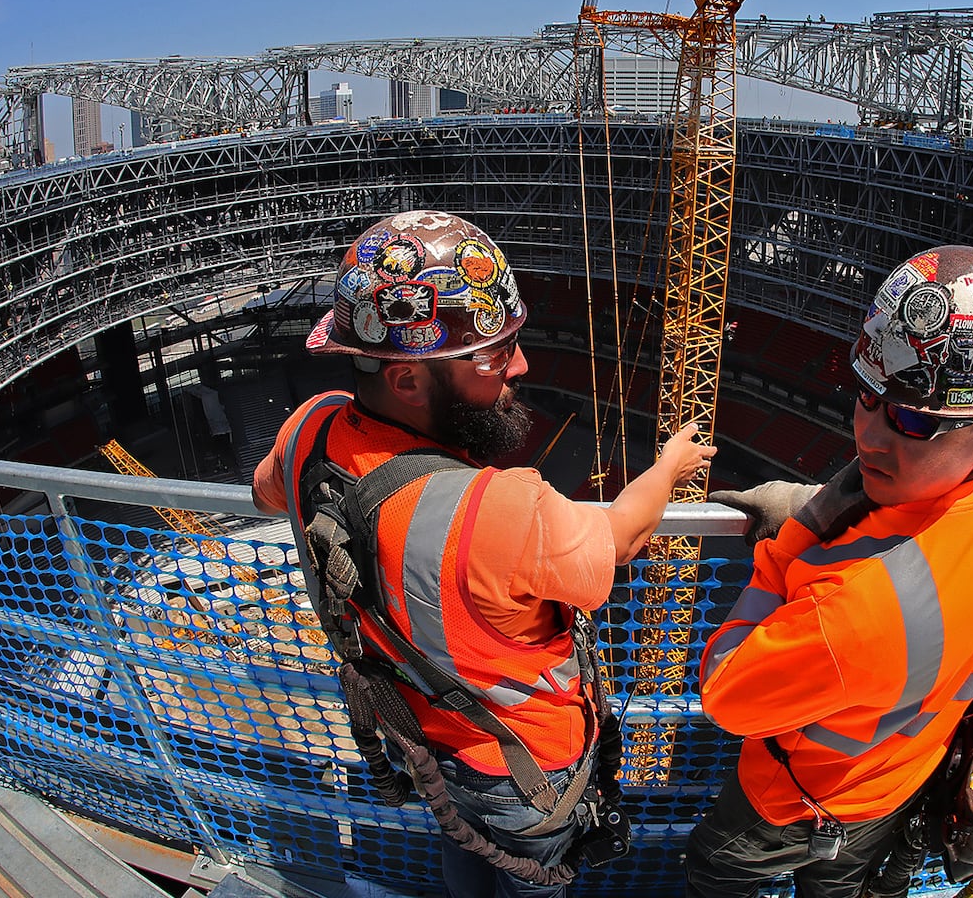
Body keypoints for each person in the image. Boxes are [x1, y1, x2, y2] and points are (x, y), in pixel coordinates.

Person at [251, 210, 716, 898]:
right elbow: (619, 538)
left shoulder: (310, 427)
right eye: (494, 356)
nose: (521, 366)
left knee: (462, 853)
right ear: (408, 381)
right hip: (524, 769)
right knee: (534, 879)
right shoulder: (506, 508)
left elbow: (266, 494)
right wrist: (669, 467)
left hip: (419, 743)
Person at [688, 245, 973, 898]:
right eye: (867, 393)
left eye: (915, 419)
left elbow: (724, 693)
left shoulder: (856, 614)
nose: (867, 433)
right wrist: (827, 498)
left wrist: (787, 550)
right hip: (898, 782)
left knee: (715, 868)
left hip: (793, 797)